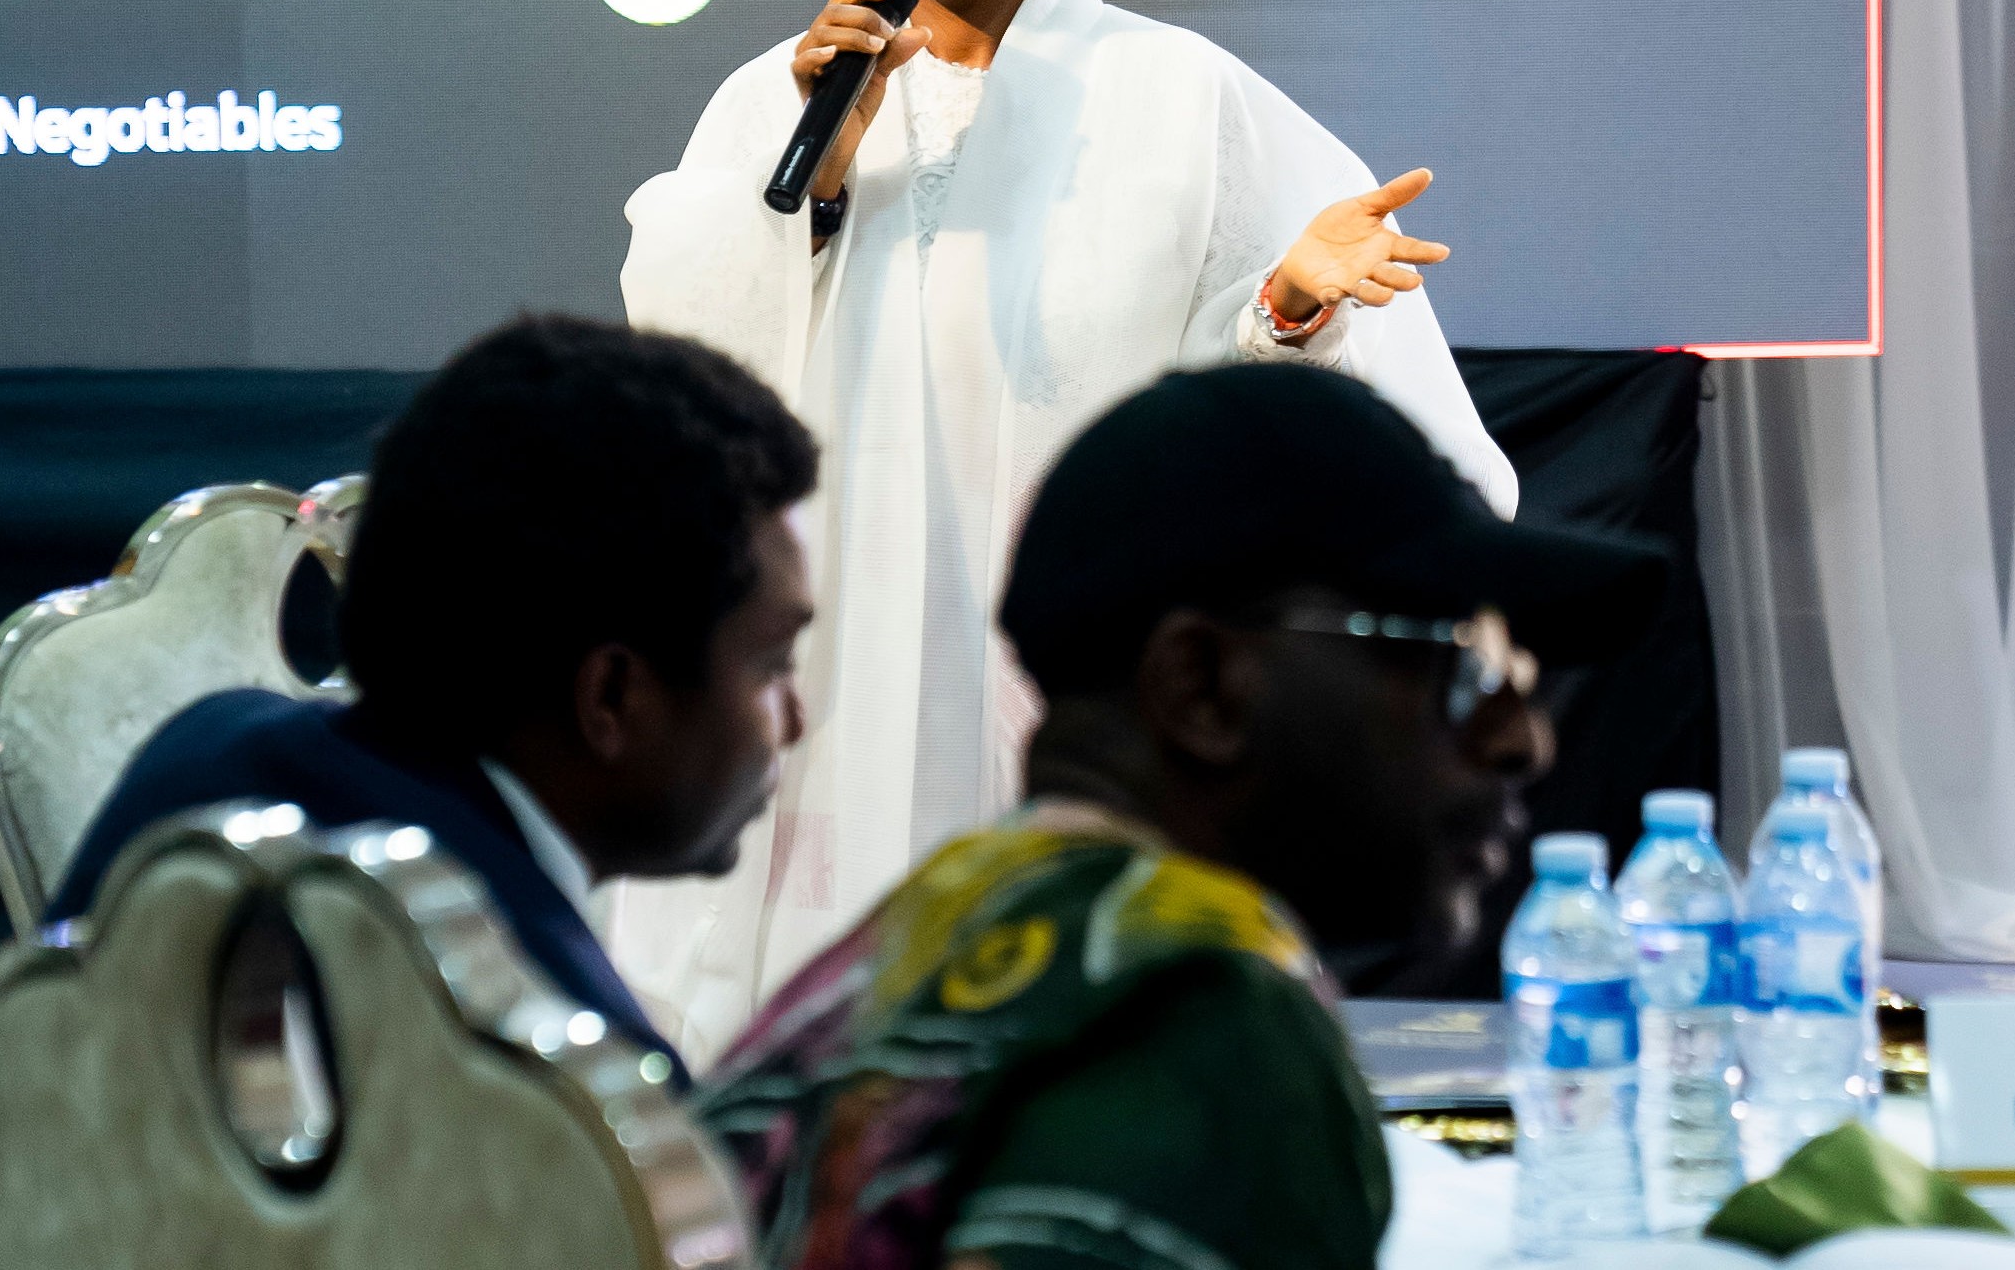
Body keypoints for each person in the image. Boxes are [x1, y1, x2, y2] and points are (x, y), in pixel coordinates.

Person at [619, 0, 1516, 1054]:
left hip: (1050, 701)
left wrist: (1287, 315)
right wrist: (812, 191)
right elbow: (676, 388)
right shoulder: (776, 102)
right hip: (822, 698)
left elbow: (1247, 439)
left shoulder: (1178, 101)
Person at [694, 365, 1659, 1270]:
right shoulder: (1202, 1011)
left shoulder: (928, 930)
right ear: (1201, 688)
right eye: (1462, 667)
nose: (1523, 740)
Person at [32, 313, 814, 1068]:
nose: (797, 721)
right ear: (611, 696)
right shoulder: (569, 1070)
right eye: (773, 665)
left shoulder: (209, 749)